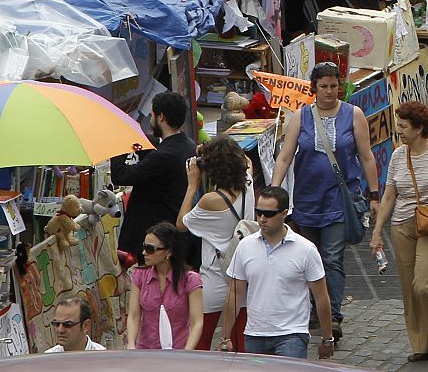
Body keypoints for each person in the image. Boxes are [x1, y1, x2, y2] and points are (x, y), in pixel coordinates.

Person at [268, 62, 376, 344]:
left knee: (332, 257)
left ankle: (334, 315)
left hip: (340, 199)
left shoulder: (354, 115)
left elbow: (366, 156)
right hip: (307, 199)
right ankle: (316, 308)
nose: (329, 91)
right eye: (324, 86)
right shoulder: (300, 117)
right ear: (314, 88)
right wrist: (275, 189)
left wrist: (374, 193)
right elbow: (285, 156)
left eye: (333, 86)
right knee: (308, 257)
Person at [369, 101, 428, 362]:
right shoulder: (398, 155)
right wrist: (377, 232)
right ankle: (421, 344)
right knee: (409, 290)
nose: (398, 130)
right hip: (402, 226)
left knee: (424, 285)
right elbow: (389, 195)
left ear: (419, 128)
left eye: (403, 126)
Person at [219, 186, 333, 359]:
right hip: (255, 334)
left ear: (284, 213)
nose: (262, 219)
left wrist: (327, 338)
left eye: (269, 214)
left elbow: (321, 296)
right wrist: (225, 336)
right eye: (258, 212)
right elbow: (235, 292)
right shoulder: (245, 246)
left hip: (292, 334)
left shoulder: (306, 249)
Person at [176, 135, 254, 352]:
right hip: (241, 274)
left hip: (215, 276)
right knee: (239, 340)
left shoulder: (211, 200)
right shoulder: (249, 182)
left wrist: (192, 185)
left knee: (201, 339)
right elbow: (247, 161)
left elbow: (181, 224)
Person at [111, 90, 196, 260]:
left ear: (161, 117)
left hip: (154, 238)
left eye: (152, 115)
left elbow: (121, 176)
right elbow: (157, 146)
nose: (150, 120)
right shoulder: (187, 144)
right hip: (171, 233)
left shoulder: (164, 156)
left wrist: (117, 145)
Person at [127, 221, 203, 349]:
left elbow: (197, 322)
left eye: (150, 249)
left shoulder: (190, 279)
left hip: (178, 351)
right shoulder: (139, 275)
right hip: (145, 350)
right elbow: (134, 315)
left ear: (168, 252)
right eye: (144, 247)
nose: (144, 252)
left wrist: (187, 352)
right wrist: (131, 344)